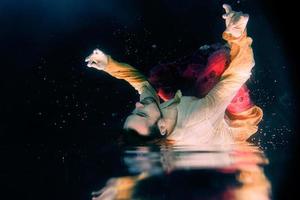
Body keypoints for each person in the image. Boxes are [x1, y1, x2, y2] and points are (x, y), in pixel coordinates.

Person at [85, 4, 263, 145]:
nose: (138, 104)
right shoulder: (200, 116)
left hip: (191, 104)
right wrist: (238, 36)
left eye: (134, 111)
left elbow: (142, 85)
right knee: (221, 61)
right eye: (142, 114)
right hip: (234, 122)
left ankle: (200, 62)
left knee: (156, 79)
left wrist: (109, 65)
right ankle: (211, 58)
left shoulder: (156, 119)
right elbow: (239, 73)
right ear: (162, 127)